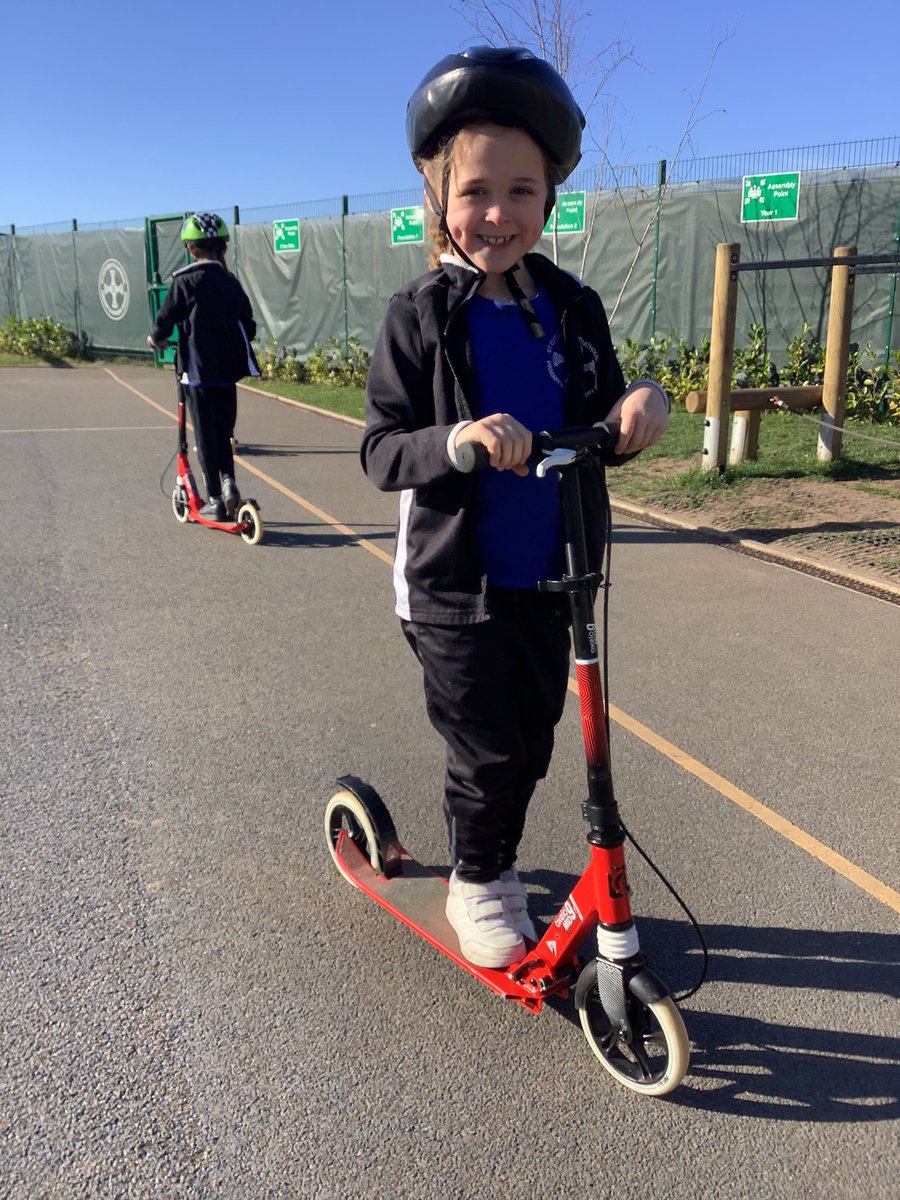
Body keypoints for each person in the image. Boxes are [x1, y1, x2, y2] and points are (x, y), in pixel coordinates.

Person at [360, 47, 670, 970]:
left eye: (523, 192)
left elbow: (607, 407)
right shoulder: (417, 315)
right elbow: (381, 450)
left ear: (548, 201)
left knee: (533, 740)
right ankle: (479, 877)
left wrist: (642, 401)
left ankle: (486, 851)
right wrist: (457, 440)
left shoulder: (573, 306)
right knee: (490, 746)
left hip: (556, 571)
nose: (499, 213)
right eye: (478, 190)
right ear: (439, 199)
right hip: (457, 583)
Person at [148, 213, 260, 519]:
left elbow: (165, 319)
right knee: (224, 432)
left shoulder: (185, 281)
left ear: (191, 249)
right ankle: (229, 483)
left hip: (196, 374)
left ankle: (214, 499)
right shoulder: (230, 282)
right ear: (222, 249)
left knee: (205, 437)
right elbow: (248, 325)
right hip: (227, 374)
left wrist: (156, 339)